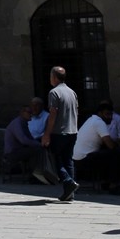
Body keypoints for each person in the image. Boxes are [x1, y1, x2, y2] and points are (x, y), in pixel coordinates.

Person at [41, 66, 80, 201]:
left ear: (54, 77)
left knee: (56, 160)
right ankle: (69, 192)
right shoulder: (72, 92)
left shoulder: (54, 93)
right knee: (68, 160)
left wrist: (47, 134)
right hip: (72, 130)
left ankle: (68, 182)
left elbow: (53, 114)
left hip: (59, 131)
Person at [73, 101, 120, 191]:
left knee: (105, 153)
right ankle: (113, 184)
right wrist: (117, 144)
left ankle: (106, 181)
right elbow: (110, 145)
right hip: (85, 159)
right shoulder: (99, 123)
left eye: (111, 115)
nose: (110, 117)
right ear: (100, 113)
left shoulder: (90, 120)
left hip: (77, 159)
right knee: (115, 153)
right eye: (107, 114)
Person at [3, 106, 42, 173]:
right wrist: (38, 144)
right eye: (29, 112)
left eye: (31, 112)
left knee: (38, 148)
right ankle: (34, 174)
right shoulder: (17, 123)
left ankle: (38, 173)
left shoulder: (23, 123)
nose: (31, 114)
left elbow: (30, 138)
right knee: (36, 151)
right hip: (12, 153)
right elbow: (23, 140)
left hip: (18, 150)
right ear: (22, 113)